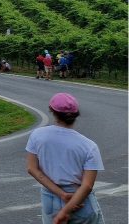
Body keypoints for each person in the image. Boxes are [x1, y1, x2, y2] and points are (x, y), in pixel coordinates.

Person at [26, 93, 105, 224]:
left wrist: (61, 194)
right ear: (76, 115)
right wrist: (66, 211)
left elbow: (32, 168)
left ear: (52, 111)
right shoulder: (89, 146)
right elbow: (87, 186)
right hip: (80, 200)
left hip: (50, 199)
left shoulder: (37, 135)